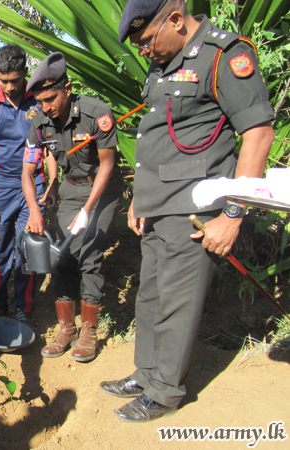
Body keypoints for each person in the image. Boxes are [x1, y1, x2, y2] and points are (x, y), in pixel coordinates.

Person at [100, 0, 275, 423]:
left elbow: (258, 133)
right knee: (151, 295)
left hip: (194, 208)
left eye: (147, 41)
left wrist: (233, 214)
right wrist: (141, 198)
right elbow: (160, 136)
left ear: (176, 20)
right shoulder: (165, 62)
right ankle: (146, 374)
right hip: (159, 205)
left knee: (178, 302)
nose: (144, 51)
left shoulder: (223, 55)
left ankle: (164, 391)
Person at [22, 52, 123, 363]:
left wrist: (88, 210)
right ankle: (66, 328)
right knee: (64, 255)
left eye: (50, 99)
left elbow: (108, 165)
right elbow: (27, 171)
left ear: (67, 89)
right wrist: (36, 208)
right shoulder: (40, 122)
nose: (45, 107)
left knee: (89, 252)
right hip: (71, 189)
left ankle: (89, 329)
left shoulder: (96, 113)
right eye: (40, 101)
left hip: (102, 192)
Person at [0, 44, 44, 329]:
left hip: (34, 183)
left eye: (15, 80)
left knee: (29, 246)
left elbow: (49, 144)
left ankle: (24, 308)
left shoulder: (38, 101)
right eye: (4, 81)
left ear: (26, 73)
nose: (10, 87)